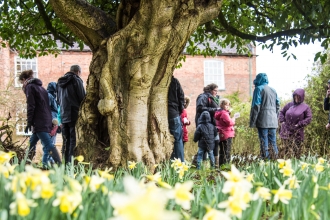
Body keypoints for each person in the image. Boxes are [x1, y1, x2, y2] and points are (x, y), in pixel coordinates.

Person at [18, 70, 61, 167]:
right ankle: (24, 164)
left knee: (48, 144)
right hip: (45, 120)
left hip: (39, 121)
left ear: (24, 79)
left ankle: (60, 165)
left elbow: (31, 105)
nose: (22, 85)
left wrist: (29, 121)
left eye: (21, 82)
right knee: (31, 144)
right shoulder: (41, 88)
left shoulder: (30, 87)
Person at [57, 65, 86, 164]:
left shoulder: (60, 82)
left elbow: (58, 100)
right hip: (74, 114)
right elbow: (83, 98)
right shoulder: (76, 80)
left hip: (63, 115)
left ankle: (65, 162)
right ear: (78, 72)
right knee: (73, 140)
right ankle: (71, 163)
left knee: (66, 140)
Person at [28, 82, 60, 165]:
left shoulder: (49, 96)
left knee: (33, 142)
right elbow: (47, 111)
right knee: (48, 144)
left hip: (44, 124)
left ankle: (28, 161)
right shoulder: (49, 96)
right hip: (48, 124)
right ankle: (47, 163)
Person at [250, 73, 280, 159]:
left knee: (264, 142)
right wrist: (275, 116)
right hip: (273, 120)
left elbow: (256, 106)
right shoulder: (273, 90)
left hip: (263, 120)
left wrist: (252, 122)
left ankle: (266, 162)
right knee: (273, 143)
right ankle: (275, 161)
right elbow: (278, 105)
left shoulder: (258, 89)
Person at [279, 89, 312, 158]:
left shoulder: (305, 107)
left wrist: (299, 124)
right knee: (286, 152)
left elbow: (308, 118)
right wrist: (282, 121)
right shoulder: (289, 105)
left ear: (302, 97)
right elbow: (281, 112)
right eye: (295, 96)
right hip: (286, 132)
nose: (296, 98)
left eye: (298, 97)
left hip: (297, 133)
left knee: (296, 153)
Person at [194, 83, 220, 163]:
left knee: (214, 141)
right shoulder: (203, 96)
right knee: (204, 142)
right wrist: (215, 110)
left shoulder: (213, 98)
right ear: (210, 90)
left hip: (211, 123)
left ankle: (215, 163)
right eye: (215, 90)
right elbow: (200, 108)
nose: (216, 92)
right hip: (203, 123)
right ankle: (201, 162)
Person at [168, 76, 185, 162]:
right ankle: (180, 164)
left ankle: (173, 164)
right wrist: (180, 110)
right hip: (173, 114)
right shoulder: (174, 81)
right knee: (178, 140)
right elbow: (181, 97)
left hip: (166, 114)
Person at [215, 98, 235, 167]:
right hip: (227, 133)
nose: (227, 106)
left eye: (228, 105)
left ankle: (221, 165)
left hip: (221, 133)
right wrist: (234, 119)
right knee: (227, 150)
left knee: (222, 151)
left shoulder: (218, 112)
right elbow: (229, 122)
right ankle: (226, 165)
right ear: (222, 105)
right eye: (226, 105)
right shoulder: (224, 113)